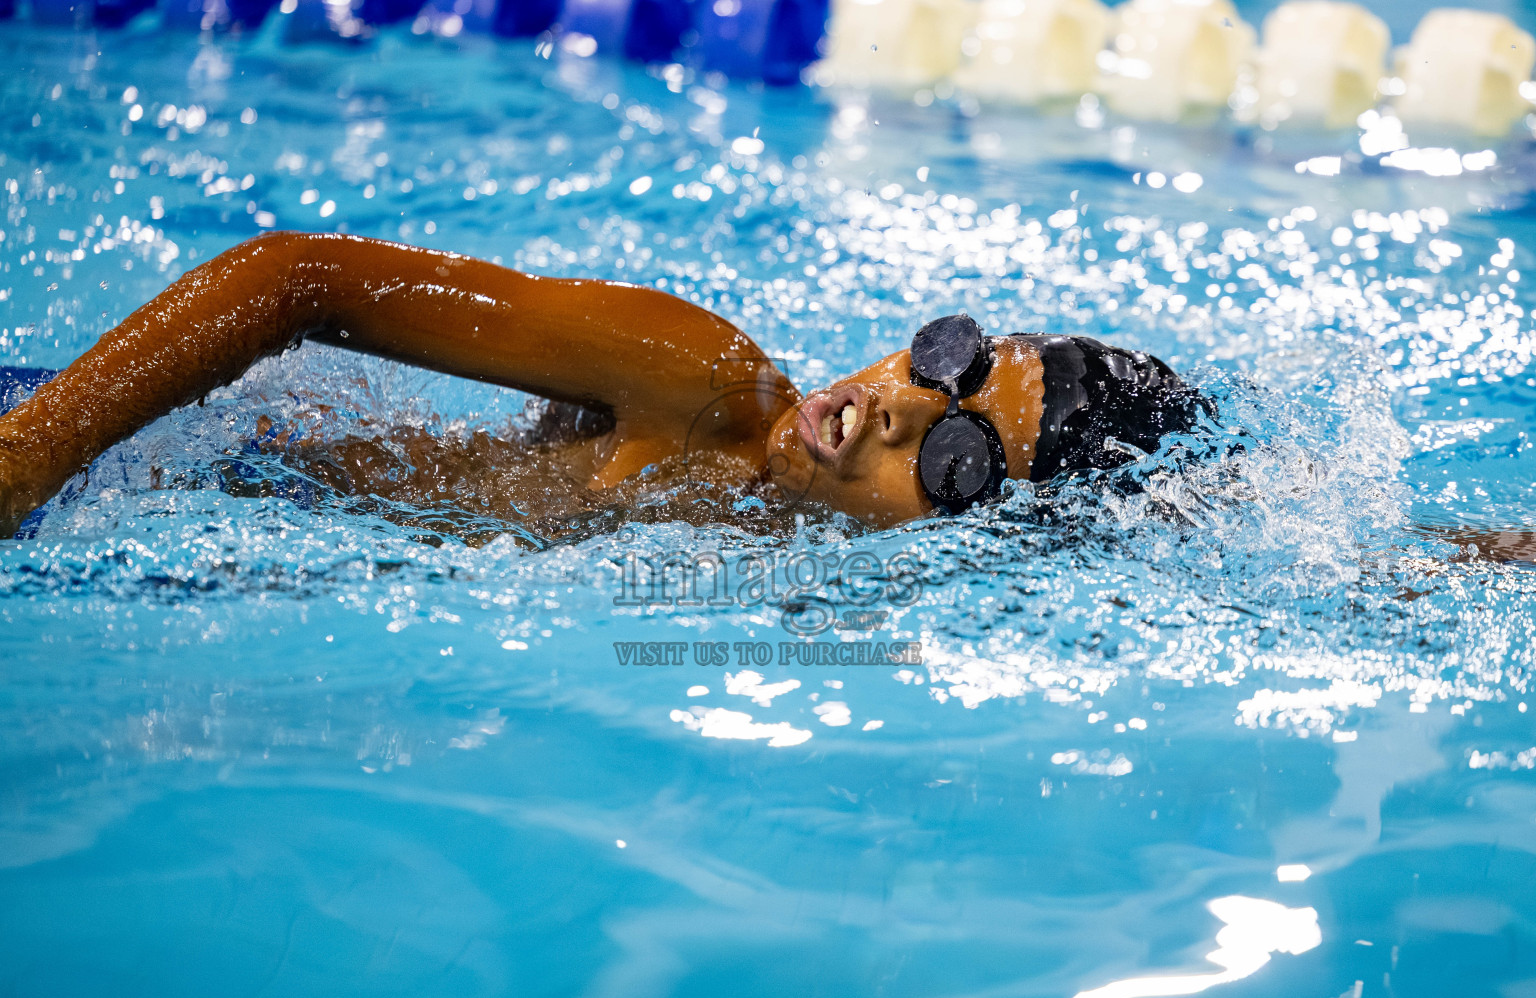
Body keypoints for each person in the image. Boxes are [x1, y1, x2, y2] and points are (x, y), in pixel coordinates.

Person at [0, 232, 1204, 539]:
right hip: (144, 462)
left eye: (955, 460)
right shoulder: (700, 384)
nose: (892, 403)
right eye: (952, 363)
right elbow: (296, 278)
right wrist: (28, 456)